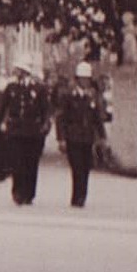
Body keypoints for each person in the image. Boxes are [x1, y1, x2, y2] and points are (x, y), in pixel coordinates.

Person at [0, 55, 52, 206]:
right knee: (17, 162)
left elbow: (46, 110)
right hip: (15, 130)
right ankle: (18, 192)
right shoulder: (11, 88)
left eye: (19, 70)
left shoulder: (39, 88)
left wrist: (45, 125)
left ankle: (29, 193)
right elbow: (2, 108)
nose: (16, 72)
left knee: (31, 163)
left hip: (33, 131)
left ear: (25, 71)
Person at [56, 63, 107, 208]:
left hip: (87, 137)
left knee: (86, 167)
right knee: (77, 167)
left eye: (87, 79)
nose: (85, 82)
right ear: (77, 79)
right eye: (82, 79)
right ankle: (76, 197)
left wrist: (102, 137)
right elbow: (61, 118)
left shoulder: (92, 97)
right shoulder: (69, 96)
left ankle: (82, 195)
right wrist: (61, 138)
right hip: (73, 137)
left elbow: (97, 118)